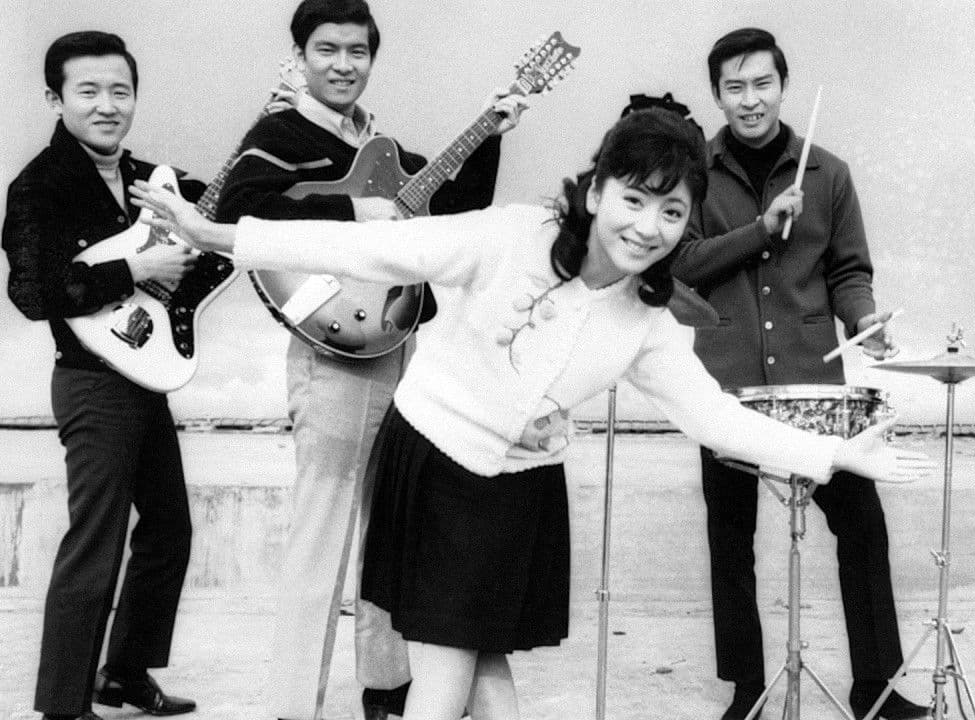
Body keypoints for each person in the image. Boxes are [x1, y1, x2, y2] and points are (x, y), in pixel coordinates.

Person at [132, 106, 934, 720]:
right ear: (597, 191)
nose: (647, 227)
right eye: (634, 199)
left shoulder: (648, 319)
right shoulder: (514, 236)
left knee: (483, 665)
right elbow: (372, 250)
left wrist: (834, 455)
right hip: (436, 461)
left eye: (672, 212)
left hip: (519, 490)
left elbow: (713, 418)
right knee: (447, 673)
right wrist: (220, 234)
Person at [213, 2, 526, 719]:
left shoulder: (379, 146)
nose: (343, 64)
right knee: (322, 531)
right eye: (327, 49)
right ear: (300, 57)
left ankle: (387, 689)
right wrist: (354, 215)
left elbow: (451, 212)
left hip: (395, 341)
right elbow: (239, 212)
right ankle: (293, 705)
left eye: (357, 51)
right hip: (332, 352)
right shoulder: (278, 136)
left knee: (392, 529)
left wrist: (488, 138)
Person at [669, 28, 927, 720]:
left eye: (762, 84)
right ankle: (747, 690)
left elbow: (848, 272)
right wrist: (761, 227)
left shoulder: (830, 174)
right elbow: (682, 264)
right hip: (724, 385)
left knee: (861, 525)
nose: (750, 99)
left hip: (814, 382)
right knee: (730, 542)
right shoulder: (694, 173)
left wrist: (865, 318)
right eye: (734, 87)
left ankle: (877, 688)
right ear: (717, 94)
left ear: (783, 86)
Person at [2, 31, 203, 720]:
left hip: (146, 379)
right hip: (90, 382)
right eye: (88, 91)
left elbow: (224, 212)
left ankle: (123, 675)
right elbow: (33, 292)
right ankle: (63, 705)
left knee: (169, 531)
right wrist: (135, 268)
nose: (107, 105)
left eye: (121, 90)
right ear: (55, 98)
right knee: (96, 543)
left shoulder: (153, 179)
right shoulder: (39, 186)